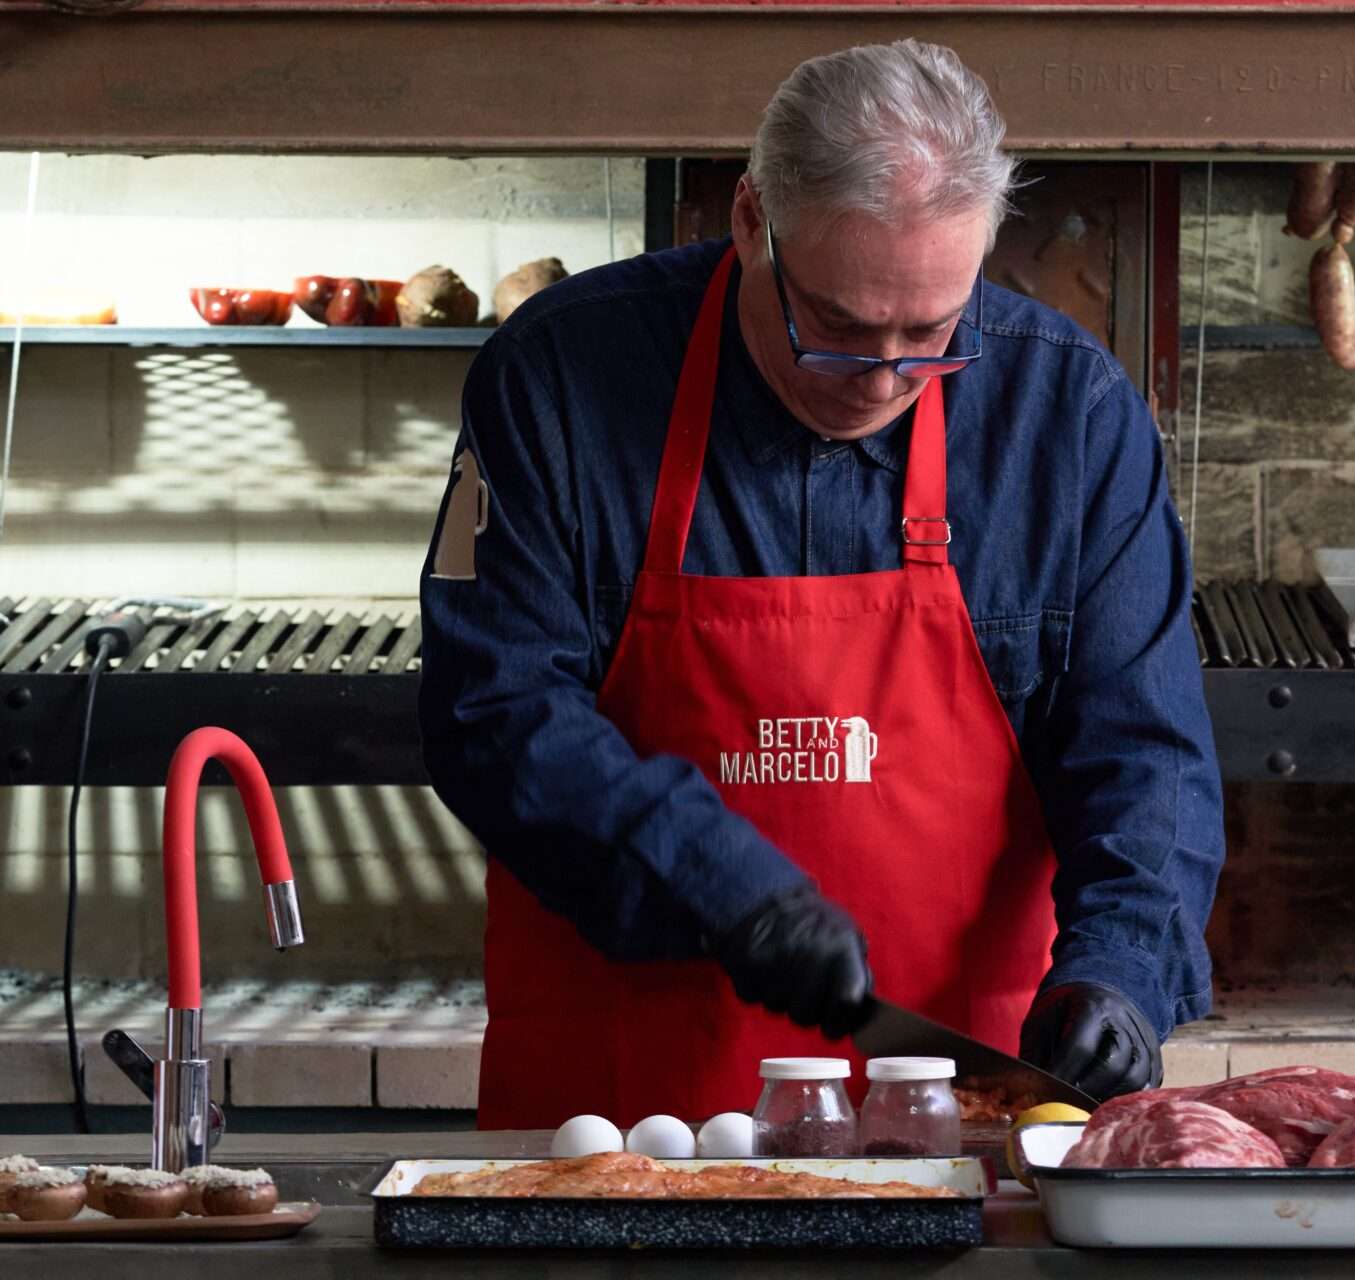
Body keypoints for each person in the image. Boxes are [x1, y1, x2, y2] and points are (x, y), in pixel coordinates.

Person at [418, 38, 1225, 1127]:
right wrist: (711, 876)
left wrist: (1122, 971)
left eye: (930, 335)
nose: (884, 382)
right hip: (629, 1095)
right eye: (837, 329)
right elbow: (492, 707)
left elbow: (1146, 745)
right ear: (753, 221)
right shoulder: (560, 376)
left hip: (967, 1089)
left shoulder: (1066, 411)